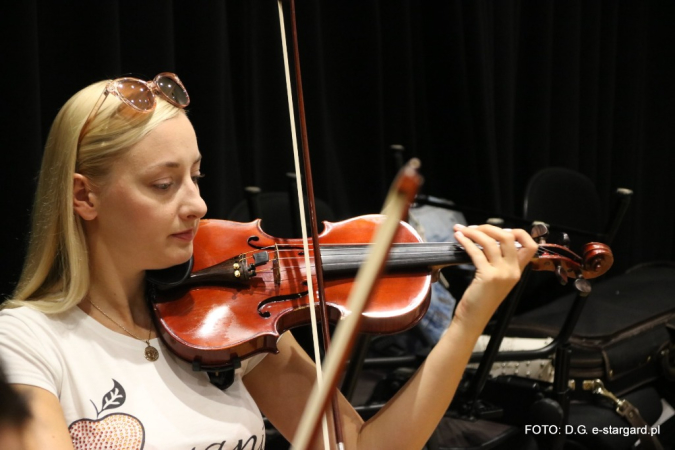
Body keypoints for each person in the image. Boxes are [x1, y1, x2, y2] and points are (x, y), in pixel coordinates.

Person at [0, 72, 538, 450]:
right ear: (84, 196)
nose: (198, 204)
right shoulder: (26, 343)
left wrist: (469, 320)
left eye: (196, 176)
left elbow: (364, 447)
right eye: (163, 185)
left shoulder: (226, 318)